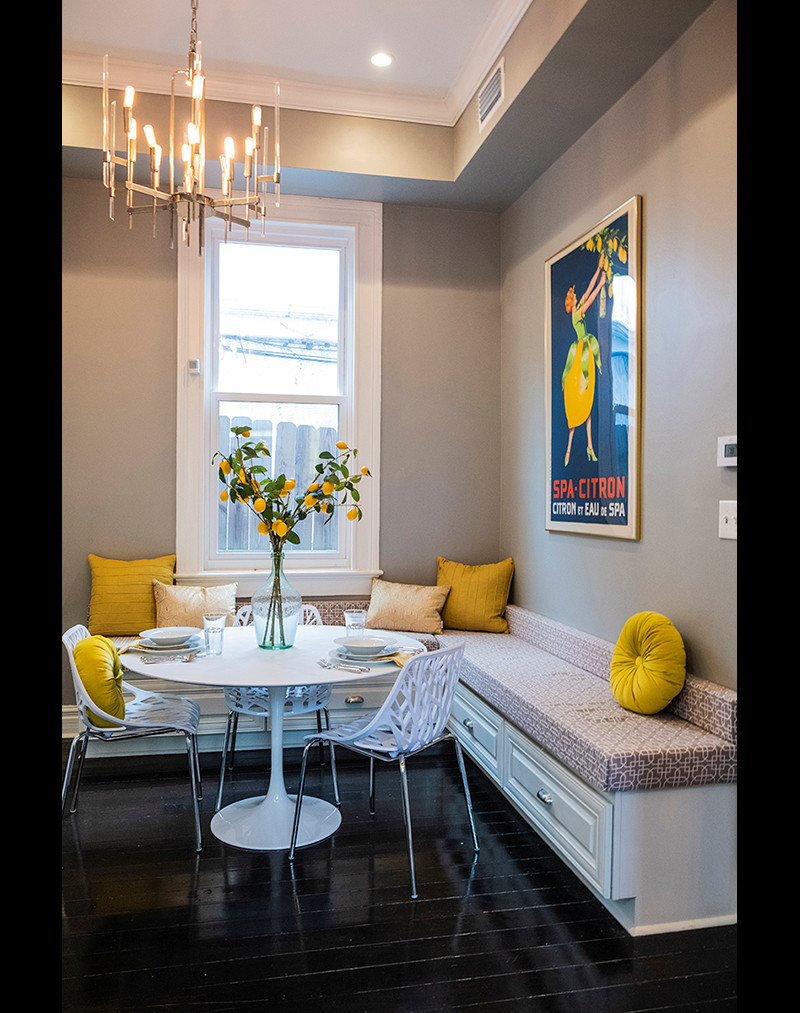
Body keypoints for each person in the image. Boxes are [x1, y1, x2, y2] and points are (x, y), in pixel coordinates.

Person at [561, 261, 604, 466]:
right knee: (580, 403)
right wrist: (603, 283)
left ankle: (588, 447)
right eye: (575, 297)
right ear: (572, 301)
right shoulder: (577, 314)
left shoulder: (577, 309)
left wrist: (597, 270)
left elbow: (588, 291)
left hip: (582, 352)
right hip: (581, 357)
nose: (578, 297)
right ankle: (571, 450)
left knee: (586, 405)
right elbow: (592, 296)